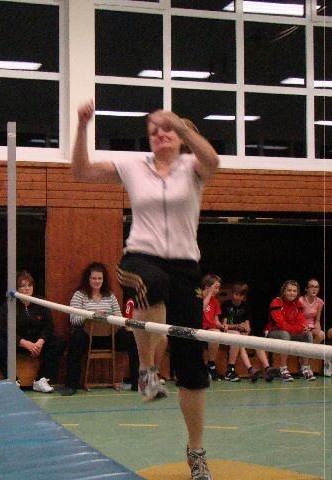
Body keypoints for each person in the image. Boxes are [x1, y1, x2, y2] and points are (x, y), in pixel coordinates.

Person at [71, 99, 220, 480]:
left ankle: (196, 451)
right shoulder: (134, 166)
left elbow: (214, 161)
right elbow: (81, 171)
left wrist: (180, 126)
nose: (160, 135)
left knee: (191, 365)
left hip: (186, 267)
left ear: (181, 135)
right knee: (152, 284)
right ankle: (147, 369)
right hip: (140, 259)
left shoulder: (193, 167)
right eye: (153, 131)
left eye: (166, 129)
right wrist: (83, 127)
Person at [62, 262, 139, 396]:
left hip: (109, 338)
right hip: (87, 337)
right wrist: (91, 315)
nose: (97, 281)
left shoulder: (110, 295)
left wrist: (119, 321)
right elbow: (73, 319)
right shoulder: (79, 295)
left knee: (133, 338)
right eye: (94, 278)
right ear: (88, 279)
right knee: (75, 338)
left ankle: (136, 382)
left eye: (100, 278)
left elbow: (119, 317)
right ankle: (71, 385)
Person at [0, 270, 66, 393]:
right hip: (18, 343)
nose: (27, 288)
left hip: (36, 344)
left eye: (29, 285)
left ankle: (41, 380)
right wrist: (23, 342)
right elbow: (2, 328)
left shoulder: (40, 302)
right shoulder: (9, 304)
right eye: (23, 285)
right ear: (17, 288)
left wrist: (40, 342)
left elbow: (49, 327)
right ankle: (12, 381)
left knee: (59, 341)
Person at [220, 281, 278, 383]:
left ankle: (267, 368)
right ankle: (248, 369)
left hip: (240, 334)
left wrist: (247, 330)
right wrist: (237, 326)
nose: (237, 296)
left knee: (255, 341)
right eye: (235, 294)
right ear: (232, 293)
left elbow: (248, 325)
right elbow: (224, 326)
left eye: (240, 295)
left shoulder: (245, 306)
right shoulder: (226, 305)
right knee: (238, 338)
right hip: (229, 333)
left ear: (244, 296)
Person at [266, 280, 315, 382]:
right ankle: (283, 369)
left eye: (294, 291)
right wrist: (299, 328)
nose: (292, 293)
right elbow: (281, 325)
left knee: (308, 335)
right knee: (285, 335)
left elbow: (301, 322)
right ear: (284, 291)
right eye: (289, 290)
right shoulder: (276, 302)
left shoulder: (298, 304)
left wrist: (305, 327)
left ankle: (304, 368)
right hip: (274, 332)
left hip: (291, 332)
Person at [200, 274, 225, 382]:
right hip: (199, 328)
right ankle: (210, 365)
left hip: (211, 329)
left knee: (219, 333)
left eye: (218, 288)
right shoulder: (198, 297)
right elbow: (201, 308)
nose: (218, 291)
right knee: (215, 333)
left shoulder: (215, 301)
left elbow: (216, 320)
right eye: (216, 287)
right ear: (207, 287)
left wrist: (221, 325)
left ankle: (212, 365)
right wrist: (210, 292)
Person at [299, 278, 325, 375]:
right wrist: (306, 327)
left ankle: (304, 360)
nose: (314, 289)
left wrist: (317, 327)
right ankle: (305, 365)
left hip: (312, 326)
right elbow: (298, 319)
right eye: (312, 287)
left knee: (321, 334)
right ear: (306, 289)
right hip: (301, 326)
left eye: (316, 287)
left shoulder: (320, 302)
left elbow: (317, 320)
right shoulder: (301, 300)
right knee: (308, 335)